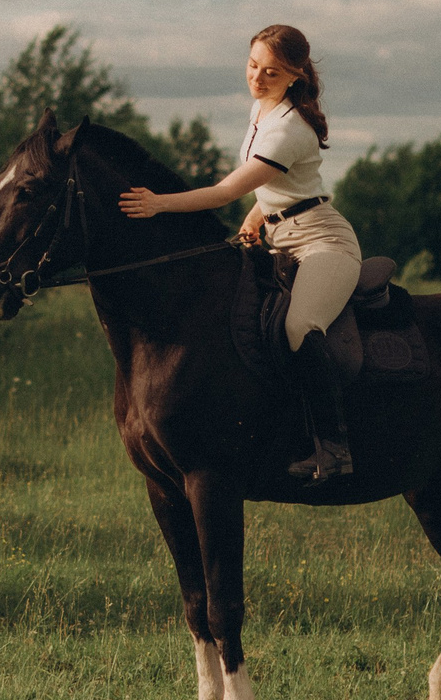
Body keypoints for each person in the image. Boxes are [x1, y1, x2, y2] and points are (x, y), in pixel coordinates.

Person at [118, 24, 360, 482]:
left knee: (297, 326)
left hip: (323, 243)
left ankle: (334, 449)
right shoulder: (261, 109)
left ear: (295, 75)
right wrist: (258, 216)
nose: (257, 78)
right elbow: (272, 185)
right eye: (252, 66)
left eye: (271, 72)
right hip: (279, 238)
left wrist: (158, 204)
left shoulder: (290, 128)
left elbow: (225, 190)